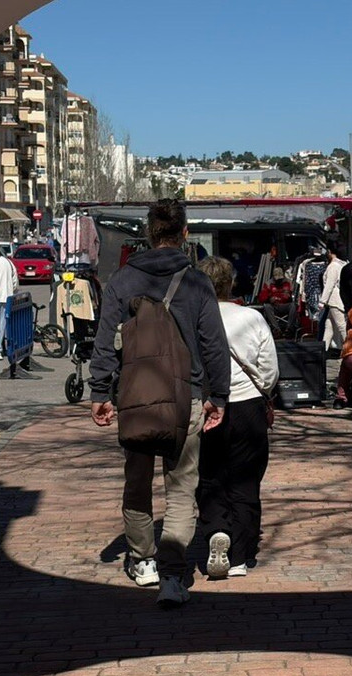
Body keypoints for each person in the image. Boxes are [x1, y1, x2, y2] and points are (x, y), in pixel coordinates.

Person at [88, 199, 231, 608]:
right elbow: (214, 344)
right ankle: (172, 573)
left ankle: (142, 559)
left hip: (135, 397)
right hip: (187, 397)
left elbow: (104, 341)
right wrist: (218, 396)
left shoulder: (122, 280)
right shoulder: (197, 283)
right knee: (182, 487)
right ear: (185, 233)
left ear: (149, 233)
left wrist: (100, 392)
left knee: (137, 483)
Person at [197, 257, 278, 579]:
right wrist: (264, 390)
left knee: (209, 474)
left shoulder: (193, 317)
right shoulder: (251, 317)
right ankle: (240, 556)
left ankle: (217, 528)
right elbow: (269, 368)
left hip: (206, 405)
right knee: (246, 479)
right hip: (247, 404)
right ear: (230, 283)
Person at [319, 240, 348, 352]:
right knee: (329, 325)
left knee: (342, 327)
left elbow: (329, 285)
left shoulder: (333, 266)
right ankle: (324, 350)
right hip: (338, 300)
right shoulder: (343, 263)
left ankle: (350, 350)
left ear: (330, 252)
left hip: (334, 300)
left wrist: (322, 301)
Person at [257, 266, 293, 335]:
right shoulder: (268, 284)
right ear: (273, 277)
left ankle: (289, 329)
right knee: (267, 306)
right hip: (274, 306)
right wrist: (269, 299)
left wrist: (289, 296)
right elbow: (261, 298)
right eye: (277, 279)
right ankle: (276, 329)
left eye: (280, 279)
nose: (278, 281)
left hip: (285, 305)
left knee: (293, 305)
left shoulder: (288, 283)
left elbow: (291, 295)